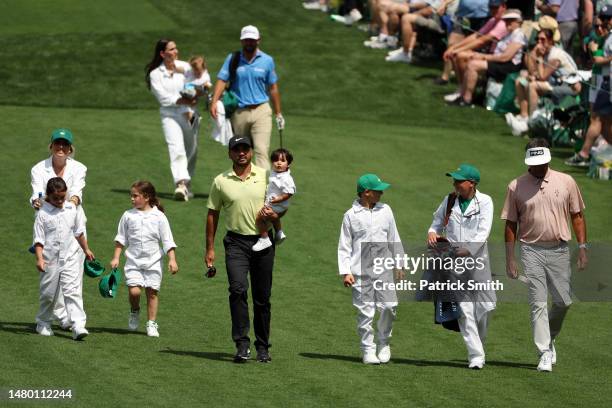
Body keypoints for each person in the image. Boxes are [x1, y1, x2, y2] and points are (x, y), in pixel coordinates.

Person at [502, 138, 588, 372]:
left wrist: (582, 248)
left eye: (542, 163)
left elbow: (577, 216)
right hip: (531, 251)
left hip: (559, 250)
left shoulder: (567, 181)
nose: (538, 167)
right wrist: (510, 258)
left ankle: (548, 339)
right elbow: (510, 225)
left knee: (563, 302)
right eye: (534, 163)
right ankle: (544, 352)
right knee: (538, 303)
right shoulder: (516, 186)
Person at [205, 135, 276, 363]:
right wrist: (210, 249)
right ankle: (242, 344)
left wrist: (277, 217)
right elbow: (212, 214)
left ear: (251, 152)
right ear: (230, 153)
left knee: (262, 297)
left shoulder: (266, 176)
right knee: (237, 289)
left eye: (245, 149)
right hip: (236, 242)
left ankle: (263, 347)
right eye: (237, 149)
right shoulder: (220, 181)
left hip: (263, 242)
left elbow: (281, 202)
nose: (241, 153)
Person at [427, 164, 495, 369]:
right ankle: (475, 355)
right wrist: (432, 232)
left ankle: (479, 345)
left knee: (486, 306)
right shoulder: (449, 200)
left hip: (477, 263)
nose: (454, 184)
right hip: (453, 264)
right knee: (464, 309)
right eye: (454, 180)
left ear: (472, 183)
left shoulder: (485, 202)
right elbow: (436, 222)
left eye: (459, 180)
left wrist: (468, 250)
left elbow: (483, 233)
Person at [337, 174, 403, 365]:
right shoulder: (350, 215)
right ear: (366, 192)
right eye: (378, 190)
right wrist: (346, 271)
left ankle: (384, 342)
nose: (382, 193)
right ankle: (367, 349)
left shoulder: (386, 210)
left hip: (384, 268)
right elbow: (344, 246)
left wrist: (399, 262)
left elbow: (394, 237)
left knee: (389, 307)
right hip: (360, 272)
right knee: (365, 312)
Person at [30, 128, 87, 332]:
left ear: (70, 148)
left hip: (72, 221)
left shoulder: (79, 168)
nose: (60, 147)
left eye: (65, 144)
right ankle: (54, 316)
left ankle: (72, 320)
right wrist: (37, 201)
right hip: (48, 224)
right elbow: (37, 190)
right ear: (51, 145)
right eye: (57, 143)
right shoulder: (38, 168)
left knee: (72, 277)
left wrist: (70, 203)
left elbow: (78, 190)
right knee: (51, 277)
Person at [210, 25, 285, 170]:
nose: (249, 43)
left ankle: (263, 188)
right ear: (241, 41)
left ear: (258, 40)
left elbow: (273, 87)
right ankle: (243, 183)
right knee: (241, 152)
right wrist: (214, 102)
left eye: (252, 40)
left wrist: (278, 113)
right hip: (239, 112)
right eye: (246, 40)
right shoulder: (233, 58)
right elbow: (222, 79)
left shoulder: (267, 60)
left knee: (261, 150)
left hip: (261, 110)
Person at [110, 181, 178, 338]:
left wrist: (172, 260)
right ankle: (134, 311)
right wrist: (116, 257)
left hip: (154, 261)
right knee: (134, 292)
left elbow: (167, 240)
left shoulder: (159, 217)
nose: (132, 199)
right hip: (133, 261)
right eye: (131, 196)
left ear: (146, 197)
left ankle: (151, 323)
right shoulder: (128, 215)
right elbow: (121, 238)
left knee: (152, 293)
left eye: (135, 196)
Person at [33, 177, 94, 340]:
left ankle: (78, 325)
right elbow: (38, 240)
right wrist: (39, 259)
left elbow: (78, 232)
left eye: (62, 197)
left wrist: (86, 249)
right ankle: (43, 322)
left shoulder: (71, 209)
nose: (60, 201)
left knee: (72, 291)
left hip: (70, 257)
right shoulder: (42, 214)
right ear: (48, 196)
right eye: (55, 198)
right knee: (48, 293)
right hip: (50, 259)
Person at [145, 39, 200, 201]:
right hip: (170, 115)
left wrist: (196, 94)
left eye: (176, 48)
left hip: (191, 113)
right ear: (163, 53)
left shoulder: (186, 67)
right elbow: (163, 98)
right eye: (172, 49)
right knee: (176, 147)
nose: (176, 51)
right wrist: (184, 100)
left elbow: (199, 81)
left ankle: (187, 186)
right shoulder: (155, 74)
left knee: (192, 149)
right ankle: (180, 184)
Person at [505, 28, 580, 136]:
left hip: (567, 86)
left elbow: (543, 76)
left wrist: (539, 58)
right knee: (520, 81)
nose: (539, 42)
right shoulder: (545, 52)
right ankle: (523, 116)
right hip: (553, 82)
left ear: (550, 41)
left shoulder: (556, 55)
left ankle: (531, 121)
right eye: (537, 39)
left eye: (542, 39)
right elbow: (532, 70)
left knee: (533, 86)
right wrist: (534, 54)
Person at [443, 0, 509, 104]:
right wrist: (454, 47)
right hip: (490, 54)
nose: (493, 10)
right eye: (491, 8)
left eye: (496, 8)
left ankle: (464, 93)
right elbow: (476, 35)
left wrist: (457, 50)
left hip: (497, 58)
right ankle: (462, 90)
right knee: (459, 55)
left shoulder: (503, 24)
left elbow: (481, 41)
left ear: (504, 7)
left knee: (461, 56)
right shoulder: (493, 20)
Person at [457, 9, 526, 105]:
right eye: (506, 20)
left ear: (518, 22)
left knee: (473, 65)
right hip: (501, 62)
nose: (507, 23)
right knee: (470, 60)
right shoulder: (509, 34)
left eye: (510, 20)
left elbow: (505, 57)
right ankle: (463, 95)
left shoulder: (518, 35)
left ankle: (466, 99)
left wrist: (483, 56)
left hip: (509, 66)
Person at [252, 148, 296, 252]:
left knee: (260, 217)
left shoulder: (286, 178)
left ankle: (264, 238)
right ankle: (279, 232)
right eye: (276, 160)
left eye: (282, 160)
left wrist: (278, 199)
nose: (279, 163)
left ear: (288, 164)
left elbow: (289, 192)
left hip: (277, 204)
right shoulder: (276, 173)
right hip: (277, 203)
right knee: (272, 217)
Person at [177, 55, 212, 127]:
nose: (196, 74)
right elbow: (182, 70)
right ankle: (194, 119)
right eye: (195, 71)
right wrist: (174, 69)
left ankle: (194, 120)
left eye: (199, 72)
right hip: (186, 92)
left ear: (204, 69)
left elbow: (207, 87)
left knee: (186, 110)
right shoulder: (190, 72)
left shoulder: (205, 76)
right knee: (186, 110)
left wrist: (203, 88)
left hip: (195, 93)